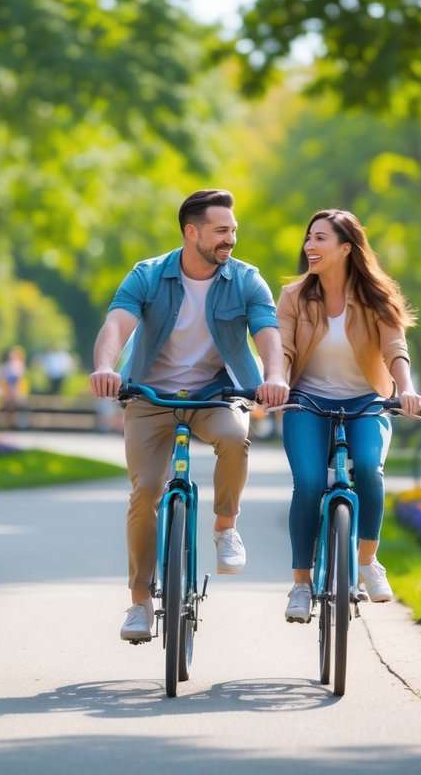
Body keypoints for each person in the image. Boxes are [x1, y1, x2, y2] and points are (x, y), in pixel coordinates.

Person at [88, 188, 290, 642]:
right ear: (191, 232)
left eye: (234, 231)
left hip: (215, 392)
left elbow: (267, 333)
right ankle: (139, 603)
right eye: (222, 231)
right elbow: (117, 324)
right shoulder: (149, 275)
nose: (231, 240)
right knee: (145, 491)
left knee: (235, 438)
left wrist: (273, 375)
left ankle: (225, 527)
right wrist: (105, 367)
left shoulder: (245, 279)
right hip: (150, 395)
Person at [276, 209, 421, 622]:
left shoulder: (378, 296)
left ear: (346, 248)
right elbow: (283, 350)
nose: (309, 245)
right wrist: (274, 381)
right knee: (307, 483)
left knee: (368, 469)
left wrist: (407, 389)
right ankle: (301, 585)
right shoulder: (293, 298)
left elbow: (395, 348)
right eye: (308, 237)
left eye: (320, 238)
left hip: (365, 402)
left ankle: (367, 562)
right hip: (307, 400)